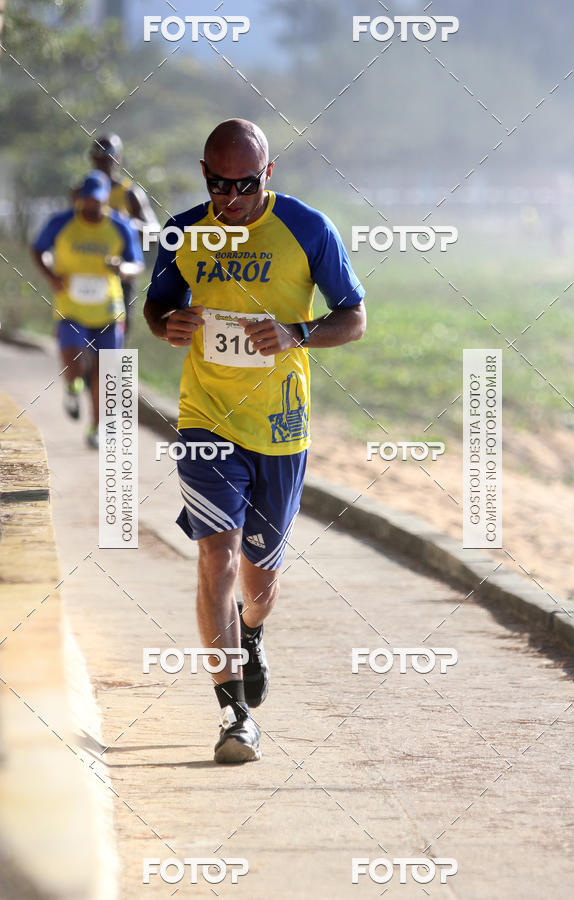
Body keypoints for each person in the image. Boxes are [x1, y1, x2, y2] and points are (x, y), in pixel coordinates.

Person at [144, 118, 366, 764]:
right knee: (217, 553)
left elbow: (354, 317)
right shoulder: (185, 230)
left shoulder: (307, 229)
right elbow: (157, 305)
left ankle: (251, 628)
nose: (230, 199)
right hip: (205, 417)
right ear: (205, 176)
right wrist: (167, 324)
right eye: (218, 184)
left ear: (267, 176)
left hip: (279, 425)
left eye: (243, 185)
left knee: (260, 581)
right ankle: (233, 714)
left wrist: (298, 332)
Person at [32, 170, 143, 448]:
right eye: (88, 200)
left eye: (97, 200)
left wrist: (122, 268)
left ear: (105, 198)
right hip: (71, 306)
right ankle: (72, 386)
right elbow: (38, 248)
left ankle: (97, 428)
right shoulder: (61, 222)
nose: (92, 205)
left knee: (107, 374)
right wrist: (51, 276)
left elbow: (136, 264)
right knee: (75, 362)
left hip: (108, 309)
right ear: (81, 198)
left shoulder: (120, 226)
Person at [73, 134, 158, 334]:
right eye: (97, 154)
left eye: (109, 153)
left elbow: (155, 234)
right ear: (91, 158)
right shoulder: (78, 192)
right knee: (81, 343)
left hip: (119, 275)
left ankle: (115, 366)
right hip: (84, 273)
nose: (103, 159)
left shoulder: (130, 194)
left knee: (116, 345)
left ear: (118, 158)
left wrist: (124, 224)